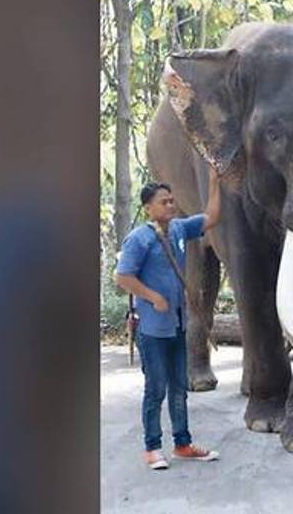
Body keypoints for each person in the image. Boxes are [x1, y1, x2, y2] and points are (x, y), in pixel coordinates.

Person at [115, 169, 222, 470]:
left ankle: (182, 444)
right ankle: (152, 448)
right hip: (152, 329)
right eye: (164, 202)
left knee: (179, 388)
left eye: (172, 201)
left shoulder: (178, 229)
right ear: (148, 208)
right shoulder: (139, 239)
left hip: (177, 324)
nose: (171, 205)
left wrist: (214, 183)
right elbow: (122, 277)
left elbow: (211, 218)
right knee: (156, 389)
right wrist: (153, 296)